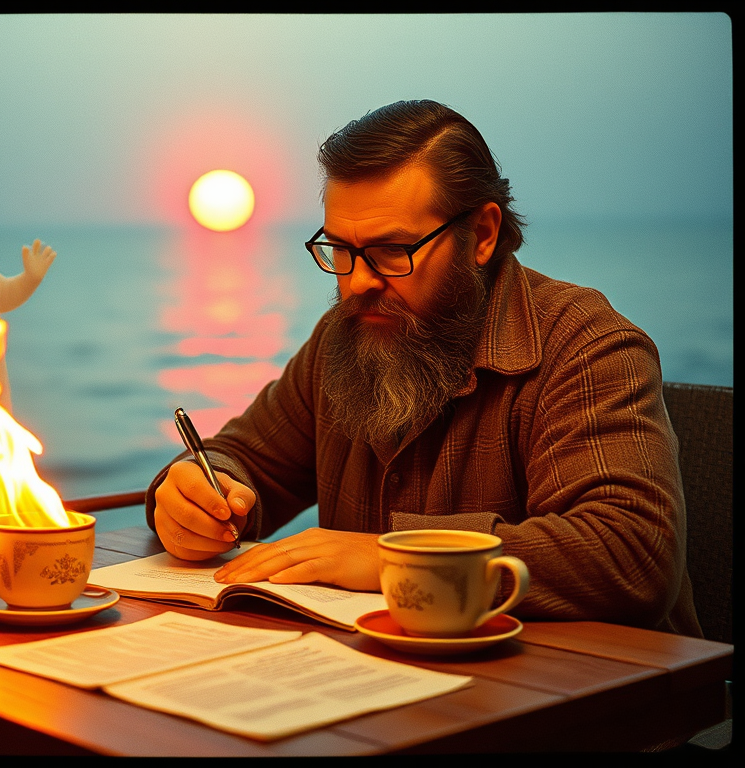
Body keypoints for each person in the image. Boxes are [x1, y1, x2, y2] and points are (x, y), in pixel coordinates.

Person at [146, 99, 701, 638]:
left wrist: (395, 557)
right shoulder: (347, 335)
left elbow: (632, 552)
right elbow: (243, 459)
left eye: (392, 250)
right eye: (340, 249)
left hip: (589, 689)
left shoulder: (584, 345)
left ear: (481, 235)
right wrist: (195, 494)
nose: (357, 282)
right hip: (381, 674)